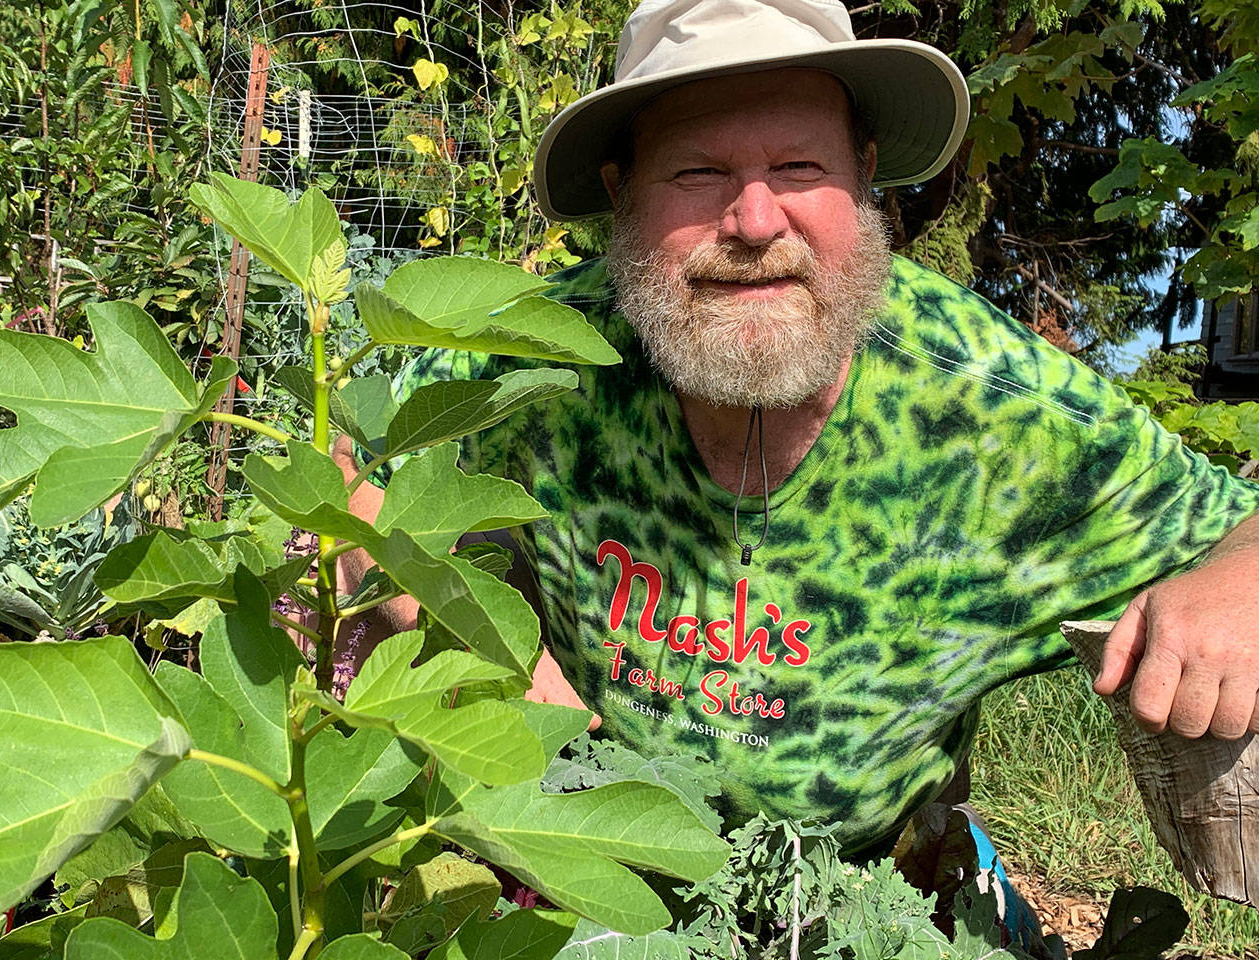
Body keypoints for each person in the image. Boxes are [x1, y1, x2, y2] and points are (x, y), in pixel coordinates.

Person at [335, 0, 1259, 917]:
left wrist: (1245, 574)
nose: (753, 218)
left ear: (863, 179)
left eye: (798, 166)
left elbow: (1240, 534)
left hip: (876, 899)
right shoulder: (540, 358)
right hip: (585, 881)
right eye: (697, 173)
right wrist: (471, 632)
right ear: (622, 195)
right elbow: (349, 460)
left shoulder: (988, 411)